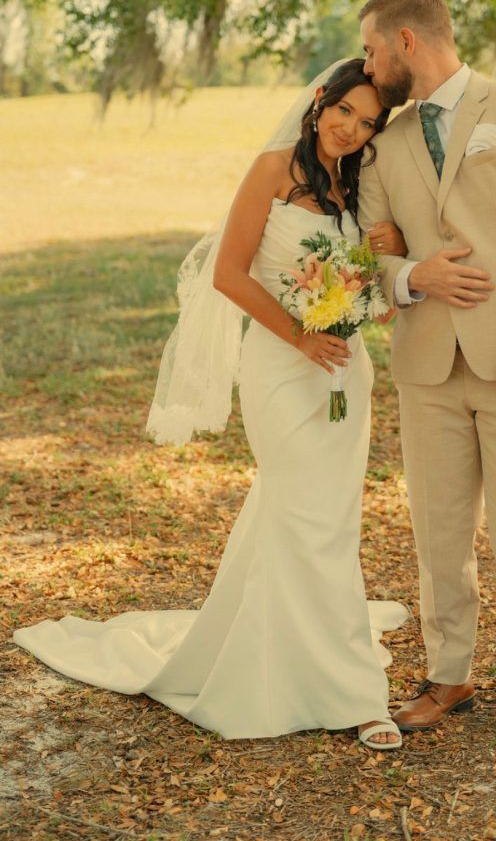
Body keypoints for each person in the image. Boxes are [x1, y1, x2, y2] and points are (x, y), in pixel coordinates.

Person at [13, 59, 409, 750]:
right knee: (297, 510)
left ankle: (307, 655)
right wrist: (301, 336)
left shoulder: (359, 181)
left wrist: (385, 255)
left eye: (367, 122)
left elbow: (371, 279)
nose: (351, 129)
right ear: (320, 100)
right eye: (345, 111)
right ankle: (351, 692)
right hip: (282, 367)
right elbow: (228, 273)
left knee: (331, 521)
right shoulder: (270, 170)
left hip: (346, 371)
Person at [357, 0, 496, 739]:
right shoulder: (382, 145)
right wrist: (411, 276)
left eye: (370, 48)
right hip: (426, 363)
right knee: (439, 530)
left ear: (407, 42)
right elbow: (364, 250)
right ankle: (447, 675)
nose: (366, 63)